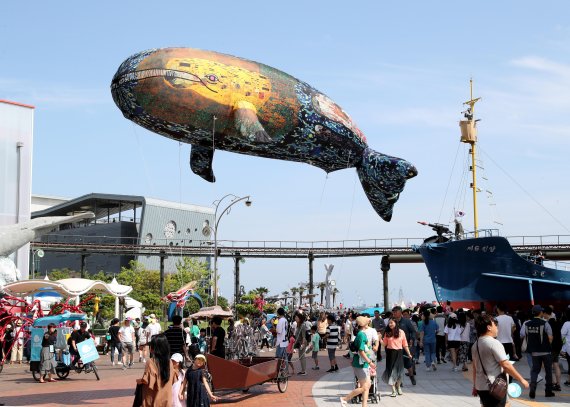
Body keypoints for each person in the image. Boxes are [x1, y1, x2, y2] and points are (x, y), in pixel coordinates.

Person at [472, 314, 528, 407]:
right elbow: (506, 364)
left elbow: (475, 367)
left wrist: (474, 386)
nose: (497, 328)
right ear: (489, 327)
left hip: (480, 386)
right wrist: (521, 380)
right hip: (495, 387)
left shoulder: (475, 345)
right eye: (495, 325)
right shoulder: (494, 343)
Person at [339, 315, 376, 407]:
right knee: (365, 386)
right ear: (365, 324)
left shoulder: (360, 334)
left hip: (361, 363)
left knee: (367, 385)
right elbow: (361, 351)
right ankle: (345, 398)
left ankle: (364, 405)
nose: (369, 323)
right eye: (368, 322)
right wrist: (370, 362)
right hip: (361, 364)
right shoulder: (361, 335)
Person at [521, 304, 555, 399]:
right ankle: (548, 391)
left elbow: (523, 335)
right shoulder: (545, 323)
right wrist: (547, 345)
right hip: (546, 352)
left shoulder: (527, 324)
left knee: (535, 371)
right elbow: (550, 337)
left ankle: (532, 389)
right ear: (540, 313)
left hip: (534, 352)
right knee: (548, 371)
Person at [137, 334, 175, 406]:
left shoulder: (151, 362)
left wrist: (139, 381)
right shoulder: (170, 362)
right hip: (166, 398)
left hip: (153, 398)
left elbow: (146, 381)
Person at [382, 318, 413, 397]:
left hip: (399, 353)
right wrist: (379, 339)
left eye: (391, 322)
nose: (390, 324)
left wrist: (409, 354)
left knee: (399, 372)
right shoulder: (387, 332)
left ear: (395, 323)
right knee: (391, 371)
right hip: (390, 354)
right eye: (389, 323)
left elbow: (405, 344)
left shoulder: (401, 332)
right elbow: (384, 344)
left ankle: (398, 387)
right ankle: (393, 390)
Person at [392, 306, 417, 384]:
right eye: (393, 312)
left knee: (408, 364)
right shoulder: (392, 322)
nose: (394, 313)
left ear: (400, 312)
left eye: (396, 312)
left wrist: (412, 339)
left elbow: (413, 331)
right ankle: (400, 382)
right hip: (395, 346)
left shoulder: (406, 321)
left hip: (405, 345)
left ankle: (412, 377)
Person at [543, 306, 562, 391]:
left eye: (544, 314)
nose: (543, 315)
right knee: (556, 365)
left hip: (550, 347)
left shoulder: (547, 323)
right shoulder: (558, 322)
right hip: (558, 346)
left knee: (548, 366)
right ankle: (558, 384)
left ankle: (553, 383)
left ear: (546, 314)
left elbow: (548, 336)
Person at [560, 307, 570, 387]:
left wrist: (563, 347)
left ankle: (569, 380)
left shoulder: (567, 324)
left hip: (569, 347)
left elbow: (562, 335)